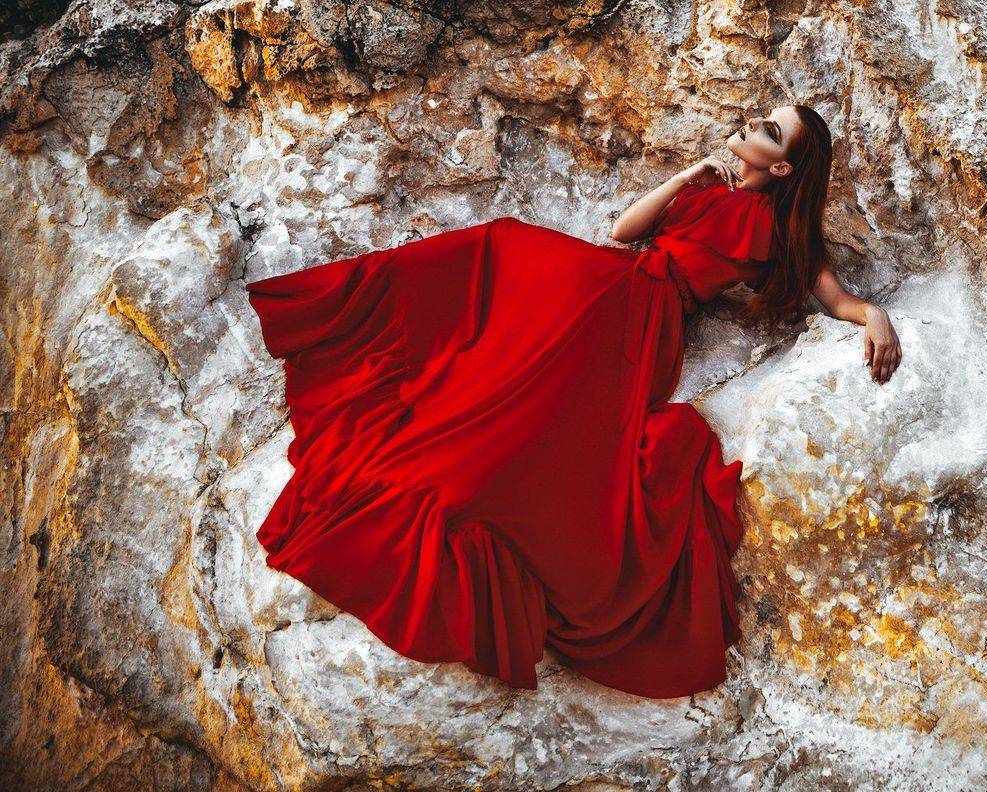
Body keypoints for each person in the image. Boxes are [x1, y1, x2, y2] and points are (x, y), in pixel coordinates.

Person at [247, 103, 901, 698]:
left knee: (530, 412)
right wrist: (687, 177)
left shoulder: (778, 231)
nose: (752, 123)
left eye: (768, 131)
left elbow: (834, 296)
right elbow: (624, 231)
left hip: (645, 323)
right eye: (762, 116)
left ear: (782, 165)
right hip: (608, 278)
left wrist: (874, 315)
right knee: (497, 247)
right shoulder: (712, 190)